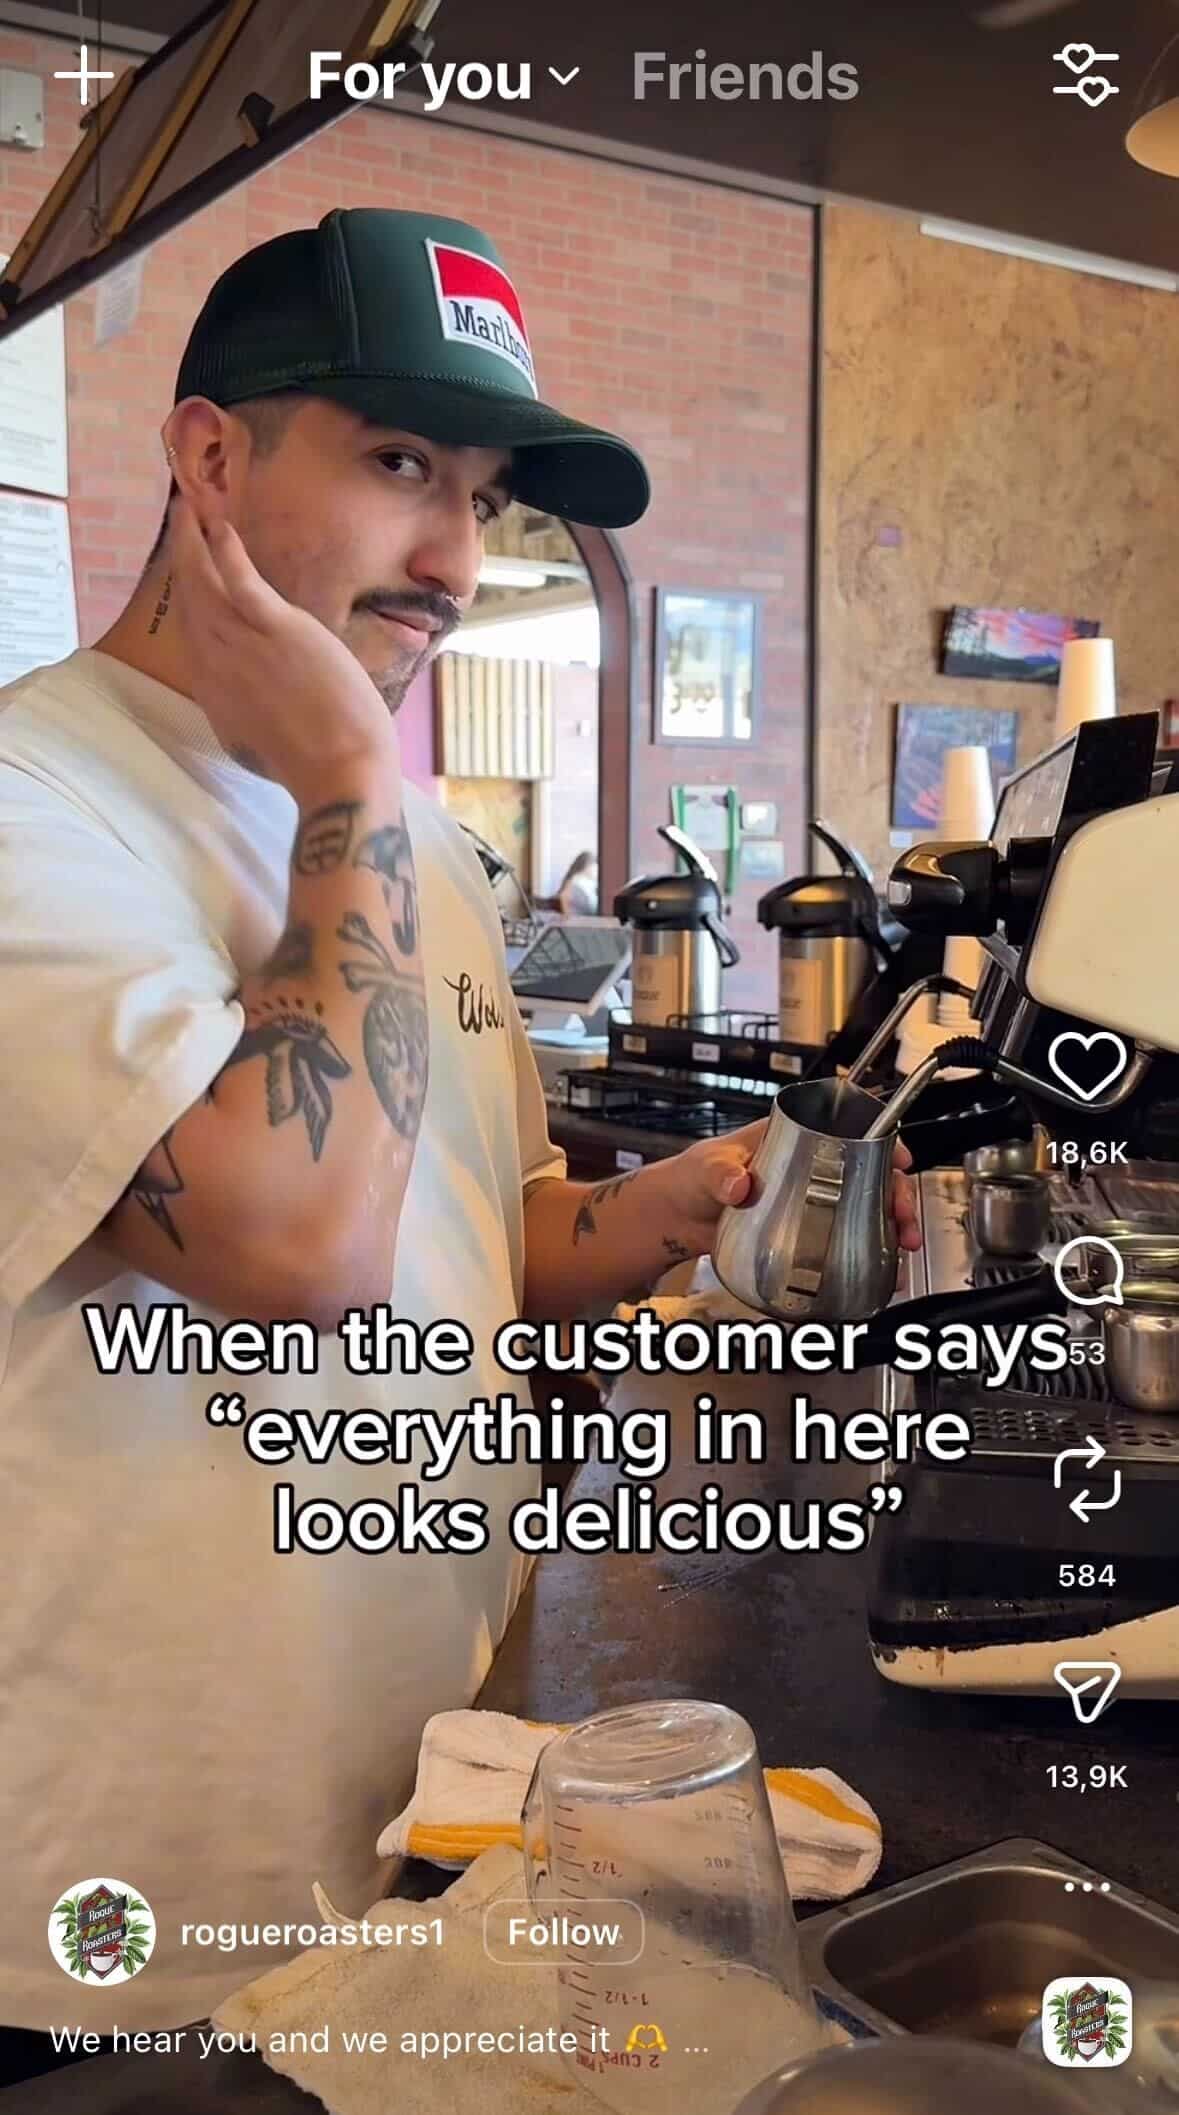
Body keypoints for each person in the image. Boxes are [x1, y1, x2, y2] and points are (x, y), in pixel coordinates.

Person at [0, 207, 919, 2076]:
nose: (448, 560)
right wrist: (355, 777)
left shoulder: (412, 859)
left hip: (416, 1829)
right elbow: (293, 1251)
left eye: (484, 498)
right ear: (208, 457)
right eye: (401, 463)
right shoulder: (40, 806)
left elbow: (477, 1241)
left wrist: (658, 1214)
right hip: (119, 1905)